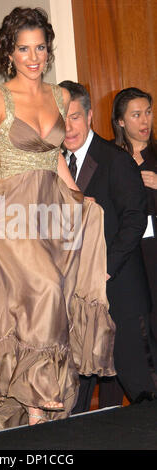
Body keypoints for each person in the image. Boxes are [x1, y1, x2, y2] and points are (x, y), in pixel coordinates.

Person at [0, 7, 116, 438]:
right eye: (24, 48)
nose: (33, 56)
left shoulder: (60, 97)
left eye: (40, 47)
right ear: (10, 52)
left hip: (49, 207)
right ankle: (37, 393)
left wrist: (79, 199)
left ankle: (34, 403)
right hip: (8, 210)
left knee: (54, 294)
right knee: (44, 286)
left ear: (48, 50)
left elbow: (54, 157)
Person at [59, 80, 157, 411]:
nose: (68, 126)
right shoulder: (51, 165)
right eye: (61, 118)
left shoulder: (115, 159)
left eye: (74, 116)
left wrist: (104, 269)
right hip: (74, 295)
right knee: (74, 393)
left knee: (142, 388)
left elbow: (134, 220)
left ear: (88, 116)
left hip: (119, 291)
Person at [111, 87, 157, 342]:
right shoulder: (111, 158)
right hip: (126, 254)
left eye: (148, 113)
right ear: (120, 121)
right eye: (136, 115)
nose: (145, 121)